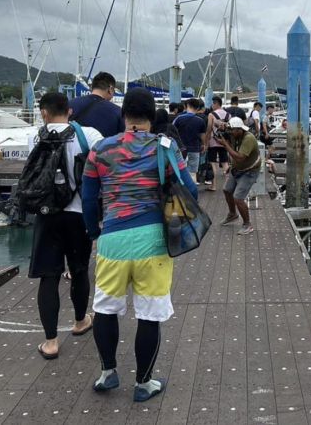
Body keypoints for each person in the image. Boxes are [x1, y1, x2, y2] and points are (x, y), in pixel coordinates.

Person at [81, 88, 198, 402]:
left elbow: (89, 198)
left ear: (123, 115)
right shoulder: (165, 146)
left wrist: (94, 232)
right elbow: (191, 191)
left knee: (105, 308)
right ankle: (144, 383)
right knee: (149, 314)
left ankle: (108, 374)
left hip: (112, 241)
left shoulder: (100, 149)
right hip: (153, 242)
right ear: (152, 116)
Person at [30, 92, 103, 360]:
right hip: (79, 214)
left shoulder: (35, 136)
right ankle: (80, 320)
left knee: (48, 276)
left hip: (46, 214)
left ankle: (50, 342)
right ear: (69, 111)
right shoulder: (90, 136)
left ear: (44, 113)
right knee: (80, 270)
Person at [217, 117, 261, 235]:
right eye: (230, 130)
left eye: (233, 131)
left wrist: (225, 145)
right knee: (227, 190)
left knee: (238, 197)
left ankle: (247, 224)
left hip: (249, 171)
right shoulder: (235, 135)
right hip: (237, 169)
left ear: (239, 130)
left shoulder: (248, 139)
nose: (231, 133)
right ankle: (232, 214)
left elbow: (240, 157)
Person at [70, 72, 124, 138]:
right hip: (103, 147)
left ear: (92, 87)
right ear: (110, 89)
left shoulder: (71, 104)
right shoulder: (117, 111)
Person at [174, 98, 207, 181]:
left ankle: (182, 192)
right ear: (198, 108)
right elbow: (203, 136)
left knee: (180, 172)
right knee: (192, 173)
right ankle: (192, 192)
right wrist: (204, 145)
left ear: (187, 106)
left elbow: (172, 132)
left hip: (180, 149)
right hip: (195, 149)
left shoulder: (179, 118)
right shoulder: (200, 121)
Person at [205, 96, 231, 191]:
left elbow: (208, 129)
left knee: (213, 163)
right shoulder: (228, 115)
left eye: (213, 103)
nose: (212, 105)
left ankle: (214, 186)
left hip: (213, 141)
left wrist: (206, 142)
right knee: (225, 162)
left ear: (216, 103)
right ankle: (228, 185)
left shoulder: (211, 115)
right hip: (224, 142)